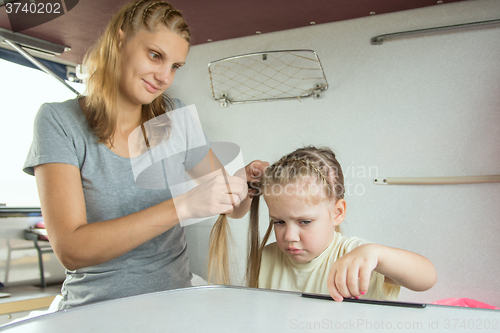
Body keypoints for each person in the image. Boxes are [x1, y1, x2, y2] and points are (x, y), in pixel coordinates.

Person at [23, 0, 267, 310]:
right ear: (120, 40)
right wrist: (182, 207)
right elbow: (71, 249)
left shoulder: (173, 116)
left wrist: (241, 184)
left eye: (175, 66)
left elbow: (231, 209)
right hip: (95, 310)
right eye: (155, 56)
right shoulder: (59, 122)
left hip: (173, 304)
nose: (165, 77)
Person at [246, 146, 437, 301]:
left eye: (304, 221)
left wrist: (376, 254)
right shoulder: (268, 256)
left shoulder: (355, 256)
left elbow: (427, 278)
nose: (289, 236)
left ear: (337, 213)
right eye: (279, 222)